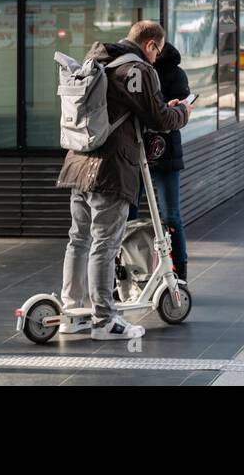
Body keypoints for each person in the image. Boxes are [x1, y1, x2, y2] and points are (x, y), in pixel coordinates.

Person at [57, 21, 190, 340]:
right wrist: (182, 112)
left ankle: (72, 312)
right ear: (151, 45)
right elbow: (158, 118)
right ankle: (104, 319)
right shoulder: (136, 70)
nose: (157, 58)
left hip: (78, 162)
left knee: (79, 238)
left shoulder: (97, 60)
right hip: (112, 169)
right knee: (105, 243)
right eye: (157, 51)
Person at [129, 41, 191, 282]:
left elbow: (182, 111)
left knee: (170, 215)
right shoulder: (137, 70)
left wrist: (168, 110)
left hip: (164, 152)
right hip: (138, 151)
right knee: (130, 214)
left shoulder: (174, 73)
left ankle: (179, 271)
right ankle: (127, 270)